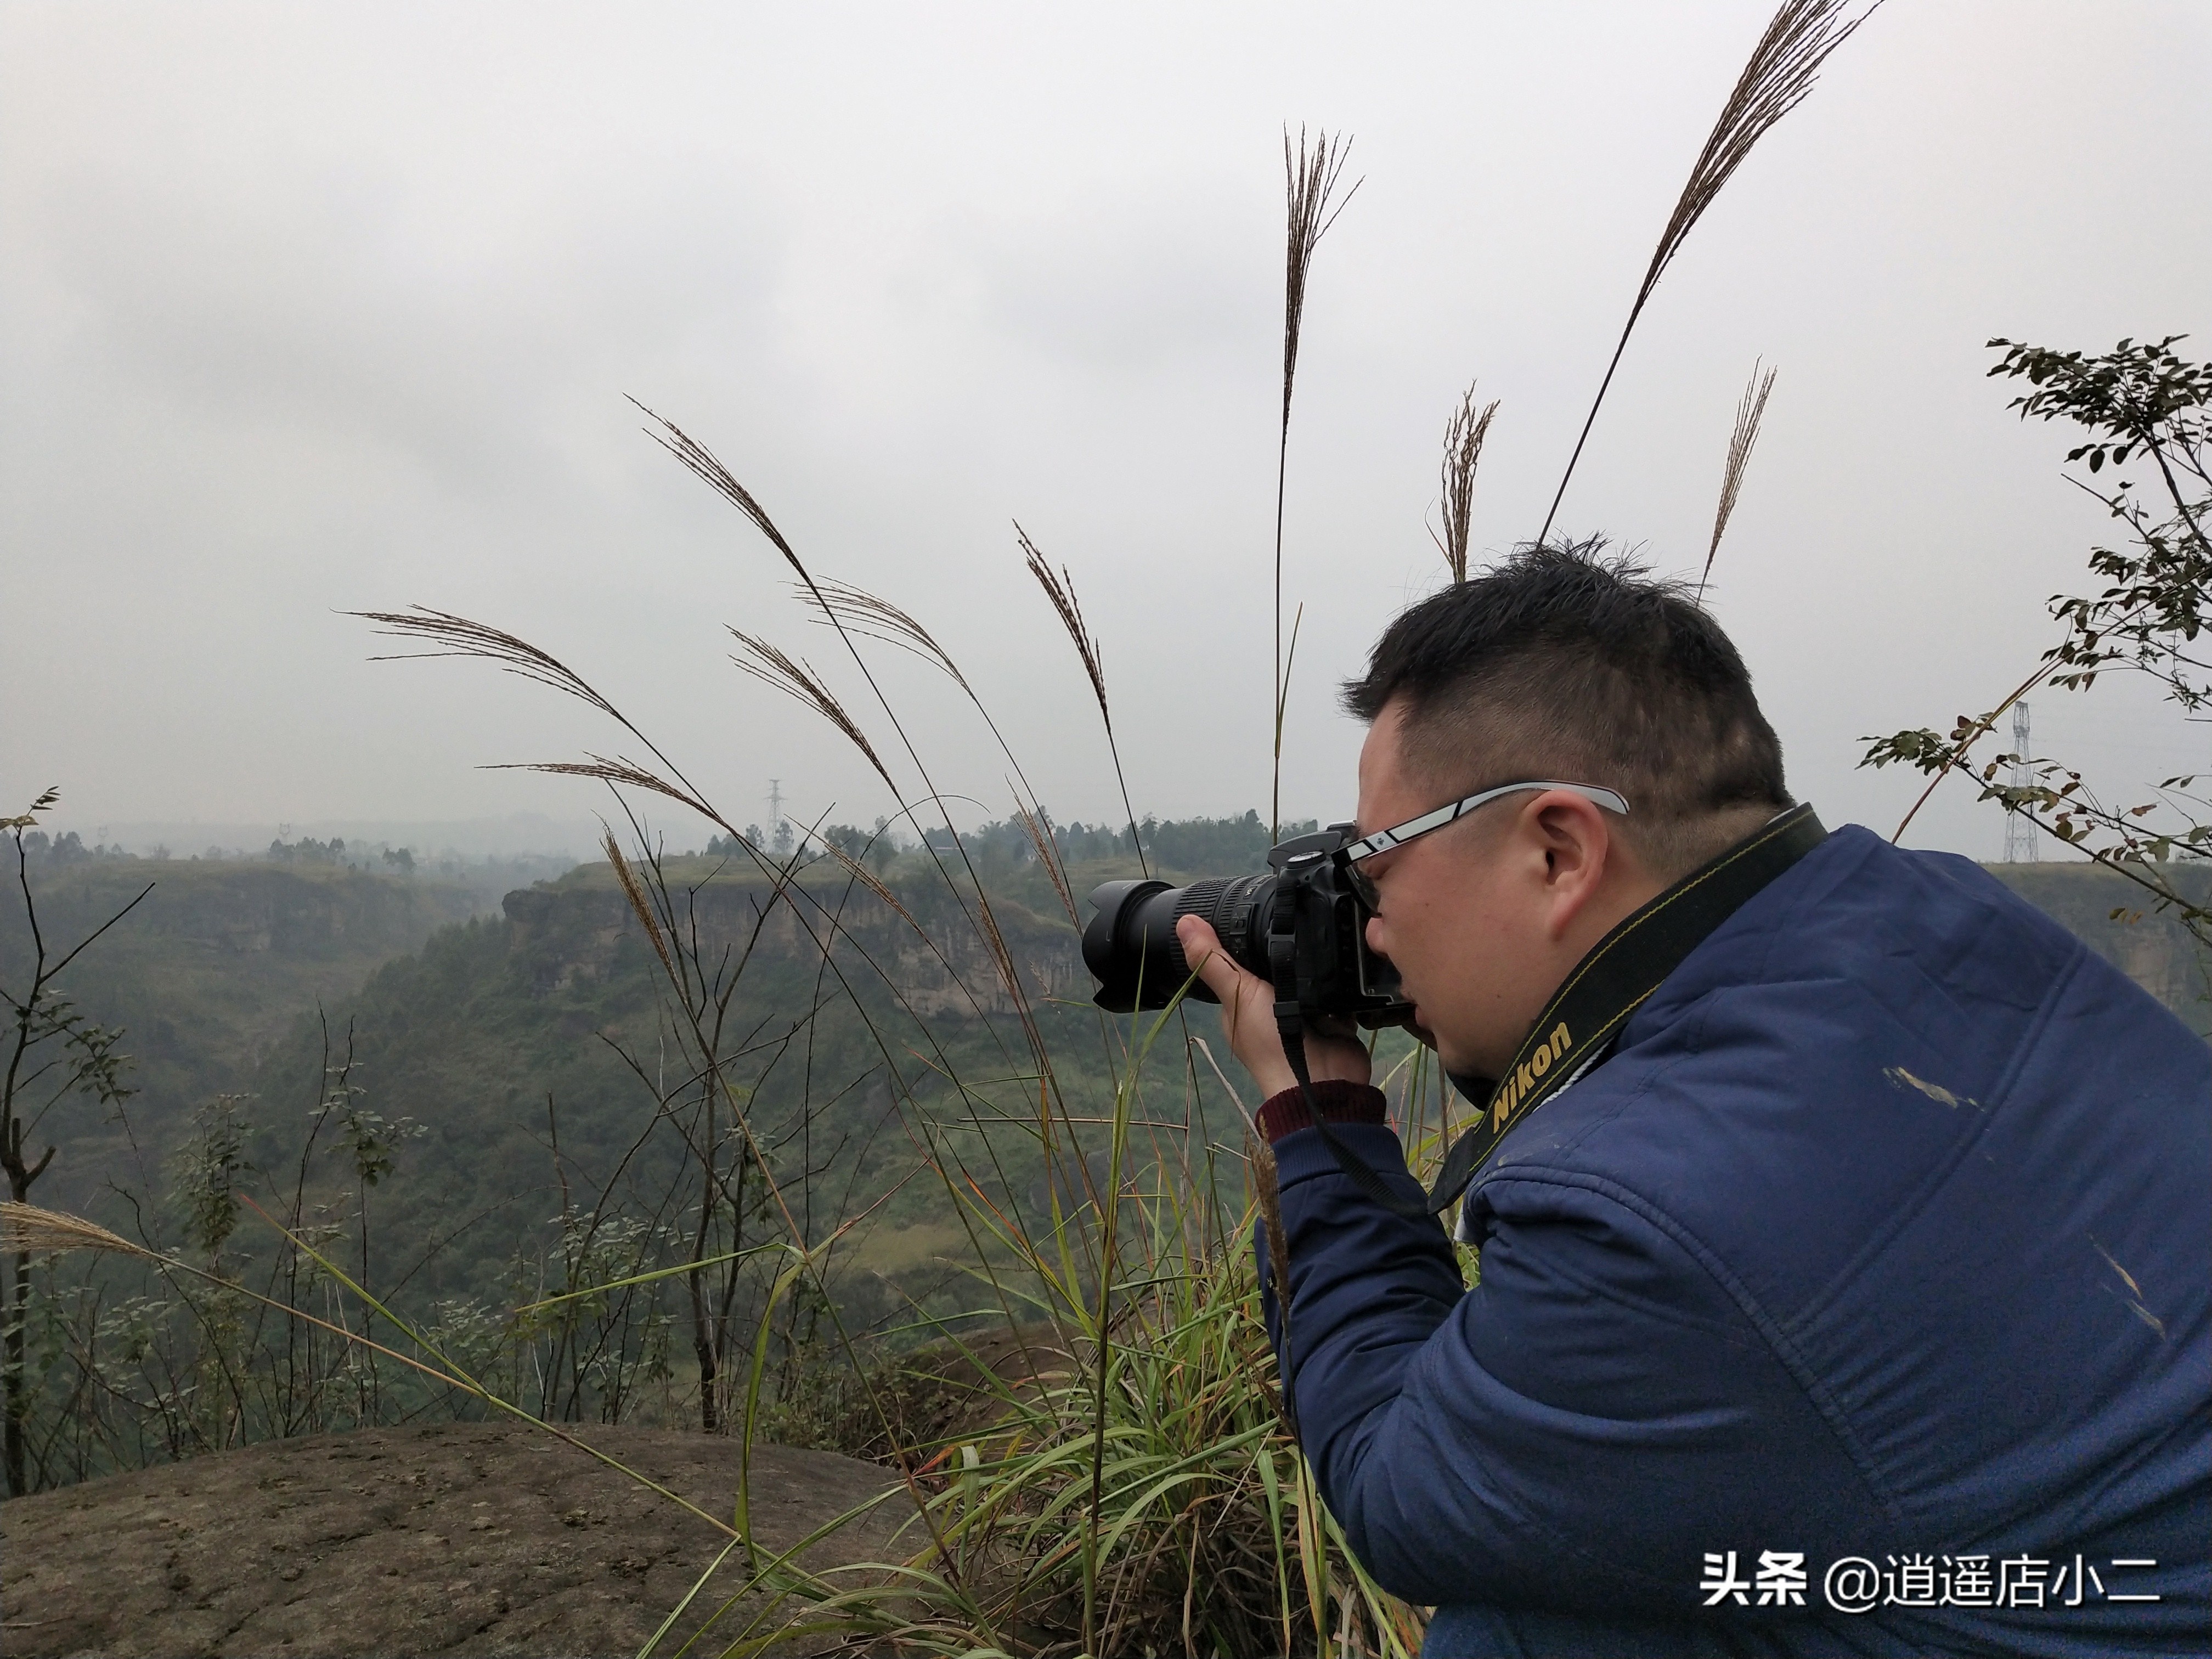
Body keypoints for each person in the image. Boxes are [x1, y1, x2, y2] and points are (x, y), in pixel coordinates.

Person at [1177, 544, 2209, 1657]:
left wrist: (1321, 1124)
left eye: (1377, 869)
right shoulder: (1945, 910)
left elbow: (1399, 1492)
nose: (1374, 930)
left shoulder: (1641, 1215)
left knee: (1521, 1628)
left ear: (1558, 852)